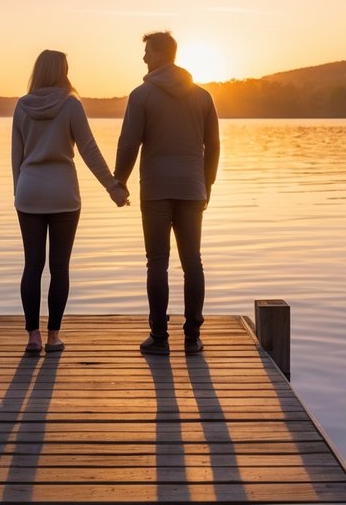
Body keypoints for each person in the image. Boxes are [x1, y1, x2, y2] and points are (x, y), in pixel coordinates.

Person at [12, 50, 129, 356]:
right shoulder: (71, 104)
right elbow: (89, 150)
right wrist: (112, 187)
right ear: (63, 71)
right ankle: (53, 337)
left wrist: (19, 192)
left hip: (30, 193)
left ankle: (32, 338)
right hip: (64, 194)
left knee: (32, 265)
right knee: (59, 266)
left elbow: (17, 157)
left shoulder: (22, 106)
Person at [115, 32, 220, 356]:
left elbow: (130, 142)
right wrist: (207, 183)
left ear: (161, 54)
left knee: (157, 263)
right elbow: (213, 144)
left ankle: (159, 338)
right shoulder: (202, 96)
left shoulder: (141, 95)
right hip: (192, 189)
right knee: (193, 263)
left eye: (147, 52)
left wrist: (120, 181)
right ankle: (192, 337)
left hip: (157, 190)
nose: (144, 58)